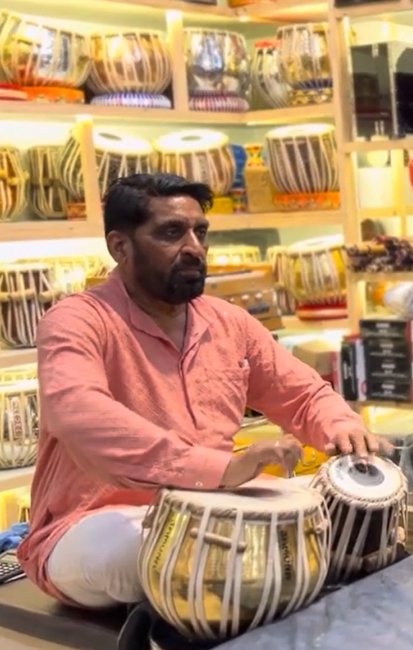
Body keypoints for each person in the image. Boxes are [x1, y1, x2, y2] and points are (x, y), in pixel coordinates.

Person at [18, 173, 383, 610]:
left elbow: (301, 394)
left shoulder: (228, 322)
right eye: (172, 232)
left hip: (219, 510)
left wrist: (344, 429)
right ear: (120, 247)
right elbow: (77, 413)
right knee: (131, 551)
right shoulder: (78, 319)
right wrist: (220, 469)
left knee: (344, 512)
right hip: (100, 521)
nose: (194, 246)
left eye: (200, 231)